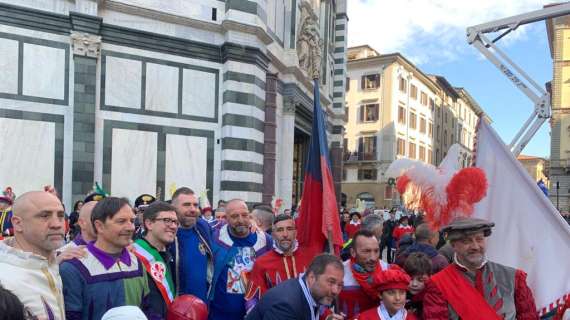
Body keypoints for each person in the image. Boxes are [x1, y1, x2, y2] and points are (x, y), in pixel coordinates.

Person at [423, 217, 539, 320]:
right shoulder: (438, 284)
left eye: (479, 239)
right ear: (453, 245)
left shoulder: (514, 278)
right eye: (467, 241)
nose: (475, 246)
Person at [60, 197, 150, 320]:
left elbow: (147, 310)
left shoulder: (137, 263)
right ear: (99, 226)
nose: (131, 227)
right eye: (121, 221)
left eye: (132, 221)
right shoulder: (73, 268)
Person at [0, 191, 66, 319]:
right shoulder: (4, 278)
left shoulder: (50, 263)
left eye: (61, 215)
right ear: (18, 223)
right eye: (44, 216)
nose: (57, 224)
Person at [209, 199, 273, 320]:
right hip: (220, 314)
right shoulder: (215, 237)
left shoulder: (265, 240)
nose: (240, 220)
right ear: (226, 219)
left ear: (250, 216)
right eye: (234, 216)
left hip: (255, 313)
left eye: (244, 215)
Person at [245, 214, 314, 311]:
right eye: (280, 230)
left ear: (295, 232)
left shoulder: (310, 259)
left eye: (289, 229)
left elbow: (318, 293)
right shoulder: (261, 263)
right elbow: (252, 298)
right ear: (273, 234)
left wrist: (328, 315)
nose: (285, 234)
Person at [245, 254, 345, 320]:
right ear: (311, 277)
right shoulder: (286, 305)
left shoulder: (307, 291)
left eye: (340, 285)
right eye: (331, 282)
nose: (335, 291)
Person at [133, 201, 179, 319]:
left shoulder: (168, 254)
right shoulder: (133, 254)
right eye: (167, 220)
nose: (173, 226)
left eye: (175, 222)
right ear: (149, 224)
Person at [169, 187, 213, 303]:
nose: (193, 209)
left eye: (195, 205)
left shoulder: (203, 227)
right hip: (176, 310)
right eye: (187, 205)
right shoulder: (165, 233)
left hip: (203, 308)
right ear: (173, 208)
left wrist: (252, 226)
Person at [338, 229, 395, 318]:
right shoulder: (339, 272)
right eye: (366, 251)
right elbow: (320, 303)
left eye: (376, 251)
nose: (373, 257)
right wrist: (329, 315)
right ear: (353, 252)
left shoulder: (388, 271)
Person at [402, 252, 433, 319]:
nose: (414, 284)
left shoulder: (432, 299)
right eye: (411, 278)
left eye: (420, 280)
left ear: (430, 277)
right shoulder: (399, 295)